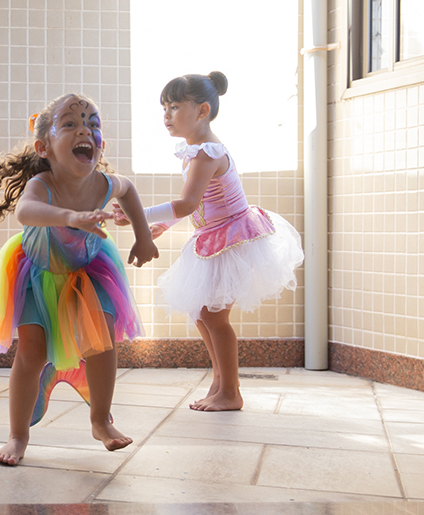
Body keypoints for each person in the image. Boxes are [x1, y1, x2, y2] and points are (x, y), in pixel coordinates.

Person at [0, 94, 158, 465]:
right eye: (72, 124)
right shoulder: (42, 183)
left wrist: (144, 237)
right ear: (44, 147)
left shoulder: (106, 183)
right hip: (38, 274)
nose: (85, 130)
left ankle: (100, 420)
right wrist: (70, 217)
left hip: (89, 273)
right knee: (31, 354)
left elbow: (130, 191)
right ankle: (17, 436)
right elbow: (26, 212)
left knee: (103, 344)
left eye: (93, 123)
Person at [119, 71, 303, 412]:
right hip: (213, 237)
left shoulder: (208, 153)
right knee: (203, 315)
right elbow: (196, 202)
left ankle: (231, 392)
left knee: (214, 318)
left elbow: (189, 203)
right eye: (164, 107)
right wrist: (165, 225)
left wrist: (139, 214)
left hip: (231, 238)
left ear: (202, 111)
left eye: (174, 107)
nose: (166, 115)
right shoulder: (195, 152)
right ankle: (220, 383)